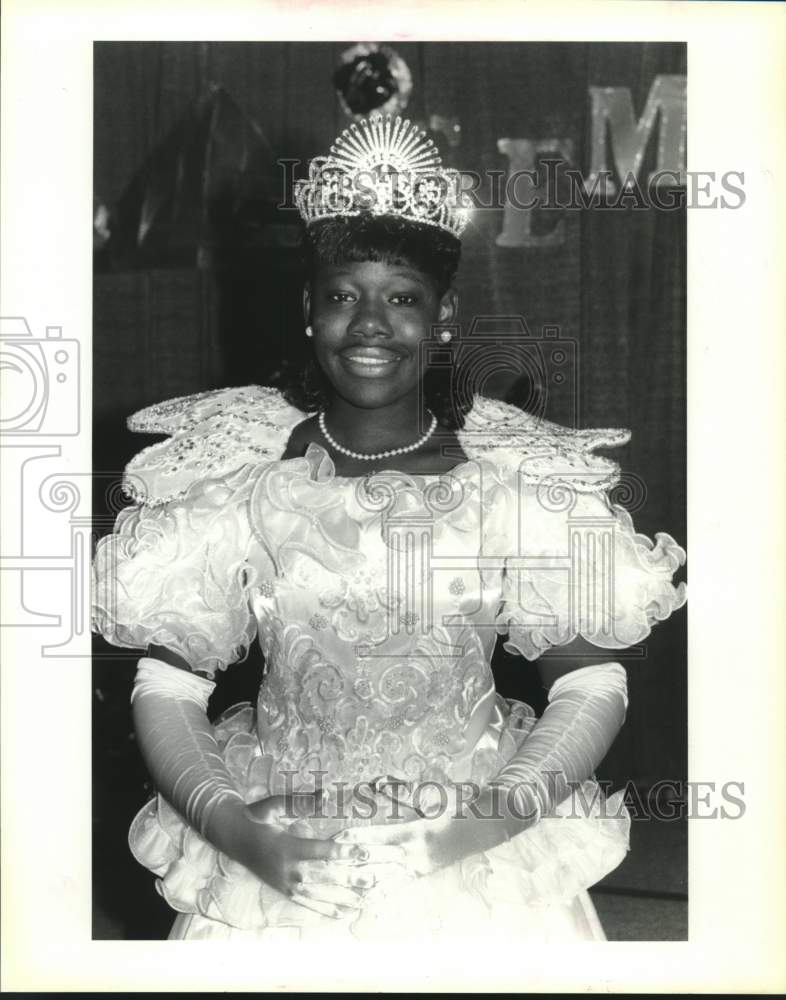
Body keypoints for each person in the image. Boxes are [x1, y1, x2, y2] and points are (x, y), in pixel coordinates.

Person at [92, 115, 687, 946]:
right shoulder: (239, 478)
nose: (370, 324)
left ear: (444, 317)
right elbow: (168, 688)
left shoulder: (508, 483)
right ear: (309, 310)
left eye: (402, 298)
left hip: (470, 868)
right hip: (283, 865)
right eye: (343, 295)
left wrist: (480, 824)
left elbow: (593, 686)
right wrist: (239, 834)